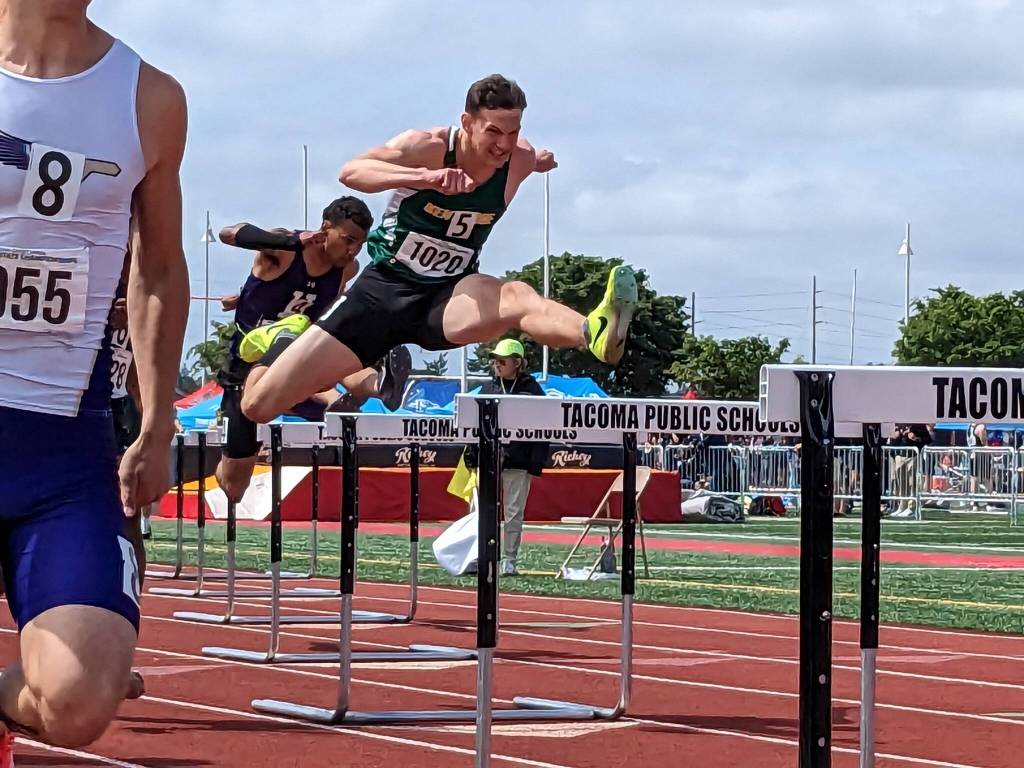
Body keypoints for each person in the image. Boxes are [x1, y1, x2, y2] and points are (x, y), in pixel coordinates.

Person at [0, 0, 190, 760]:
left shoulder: (149, 97)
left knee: (80, 702)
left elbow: (161, 267)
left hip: (62, 450)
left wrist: (158, 422)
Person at [238, 74, 638, 426]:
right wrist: (425, 178)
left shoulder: (518, 159)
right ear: (467, 123)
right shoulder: (427, 146)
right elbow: (352, 171)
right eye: (493, 132)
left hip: (446, 297)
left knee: (515, 296)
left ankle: (593, 331)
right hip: (382, 294)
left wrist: (537, 161)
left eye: (513, 132)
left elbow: (526, 157)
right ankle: (283, 343)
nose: (503, 145)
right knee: (258, 406)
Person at [213, 197, 412, 502]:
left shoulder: (347, 268)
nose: (352, 251)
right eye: (347, 240)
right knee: (234, 486)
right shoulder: (284, 251)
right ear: (325, 228)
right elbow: (229, 233)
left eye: (359, 244)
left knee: (322, 339)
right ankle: (328, 397)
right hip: (248, 359)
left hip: (297, 357)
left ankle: (379, 385)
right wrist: (288, 242)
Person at [462, 339, 547, 576]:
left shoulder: (532, 391)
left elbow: (544, 428)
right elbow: (473, 424)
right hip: (487, 461)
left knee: (513, 513)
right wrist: (472, 457)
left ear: (517, 363)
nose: (496, 365)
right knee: (478, 511)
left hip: (518, 463)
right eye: (494, 360)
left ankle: (509, 559)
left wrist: (535, 463)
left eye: (502, 360)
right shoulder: (488, 389)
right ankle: (479, 556)